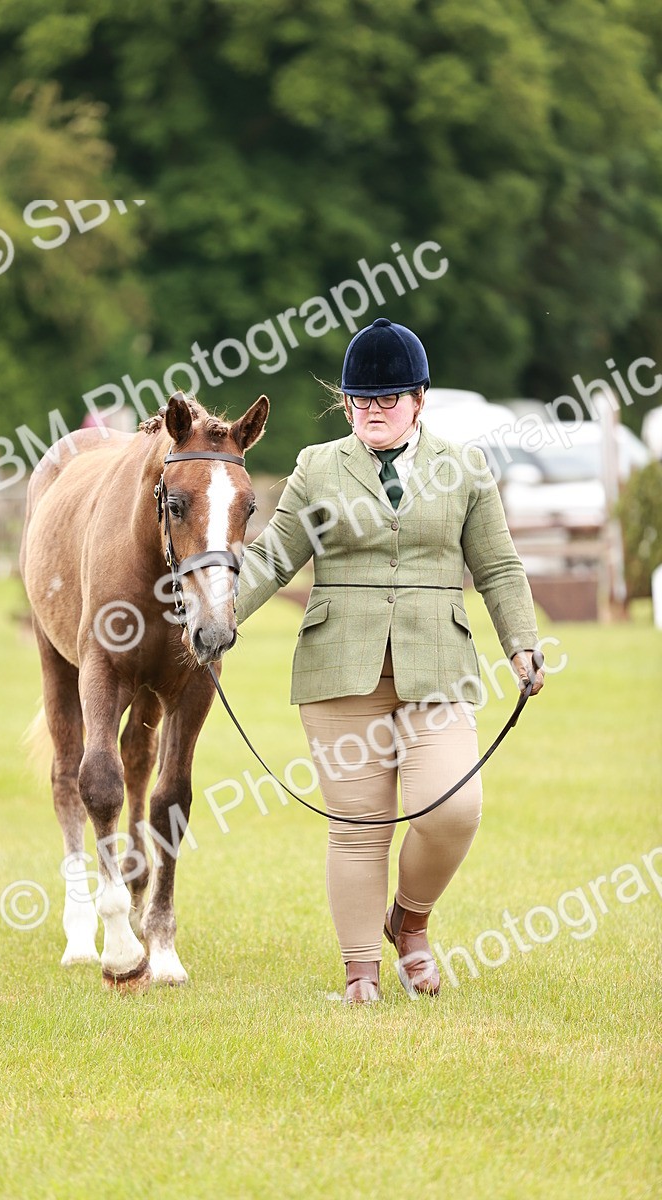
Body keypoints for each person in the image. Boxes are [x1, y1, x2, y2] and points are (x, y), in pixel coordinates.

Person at [234, 317, 544, 1003]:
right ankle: (360, 976)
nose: (373, 410)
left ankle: (410, 918)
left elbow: (497, 566)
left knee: (455, 808)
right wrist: (216, 615)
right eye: (360, 400)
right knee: (358, 825)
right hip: (339, 671)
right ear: (345, 404)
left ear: (419, 399)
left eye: (389, 398)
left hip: (438, 667)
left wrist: (521, 643)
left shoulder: (464, 469)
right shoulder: (318, 467)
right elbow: (273, 557)